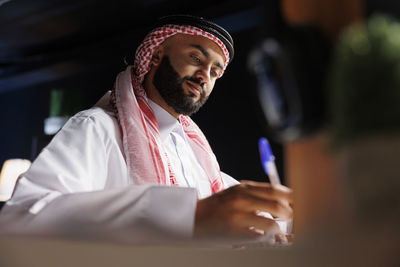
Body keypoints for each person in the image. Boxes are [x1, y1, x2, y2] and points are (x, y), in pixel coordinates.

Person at [0, 14, 293, 245]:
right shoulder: (97, 127)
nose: (205, 76)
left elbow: (245, 210)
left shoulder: (197, 158)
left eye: (215, 71)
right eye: (195, 58)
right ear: (155, 55)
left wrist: (277, 227)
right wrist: (184, 216)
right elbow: (22, 217)